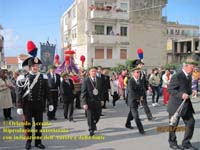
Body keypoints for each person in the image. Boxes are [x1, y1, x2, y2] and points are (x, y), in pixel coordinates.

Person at [16, 41, 53, 150]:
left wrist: (50, 102)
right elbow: (19, 93)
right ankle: (28, 142)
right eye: (33, 66)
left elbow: (47, 91)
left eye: (37, 65)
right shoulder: (22, 78)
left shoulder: (43, 77)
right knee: (28, 125)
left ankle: (38, 142)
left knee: (38, 125)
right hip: (27, 104)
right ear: (29, 66)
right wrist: (19, 106)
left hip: (39, 104)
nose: (35, 67)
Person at [167, 57, 198, 150]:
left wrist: (191, 91)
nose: (194, 69)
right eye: (192, 67)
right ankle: (172, 142)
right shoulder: (177, 76)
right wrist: (181, 94)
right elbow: (171, 89)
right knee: (173, 125)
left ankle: (186, 143)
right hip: (176, 105)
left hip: (186, 105)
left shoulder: (188, 76)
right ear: (186, 66)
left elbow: (186, 89)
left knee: (191, 122)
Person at [80, 66, 103, 136]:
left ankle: (94, 124)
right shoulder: (86, 80)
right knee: (90, 116)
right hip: (89, 101)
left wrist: (102, 100)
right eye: (92, 71)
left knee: (98, 115)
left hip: (97, 101)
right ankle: (91, 129)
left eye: (95, 71)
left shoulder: (99, 79)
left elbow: (101, 91)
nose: (93, 72)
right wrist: (84, 103)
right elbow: (83, 92)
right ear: (89, 72)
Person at [125, 67, 145, 134]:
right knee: (136, 116)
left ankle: (127, 124)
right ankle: (141, 129)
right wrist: (139, 97)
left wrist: (142, 96)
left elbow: (142, 89)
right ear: (133, 73)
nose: (138, 73)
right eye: (137, 72)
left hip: (138, 100)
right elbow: (131, 91)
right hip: (132, 100)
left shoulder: (140, 80)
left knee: (131, 113)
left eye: (139, 72)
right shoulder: (130, 81)